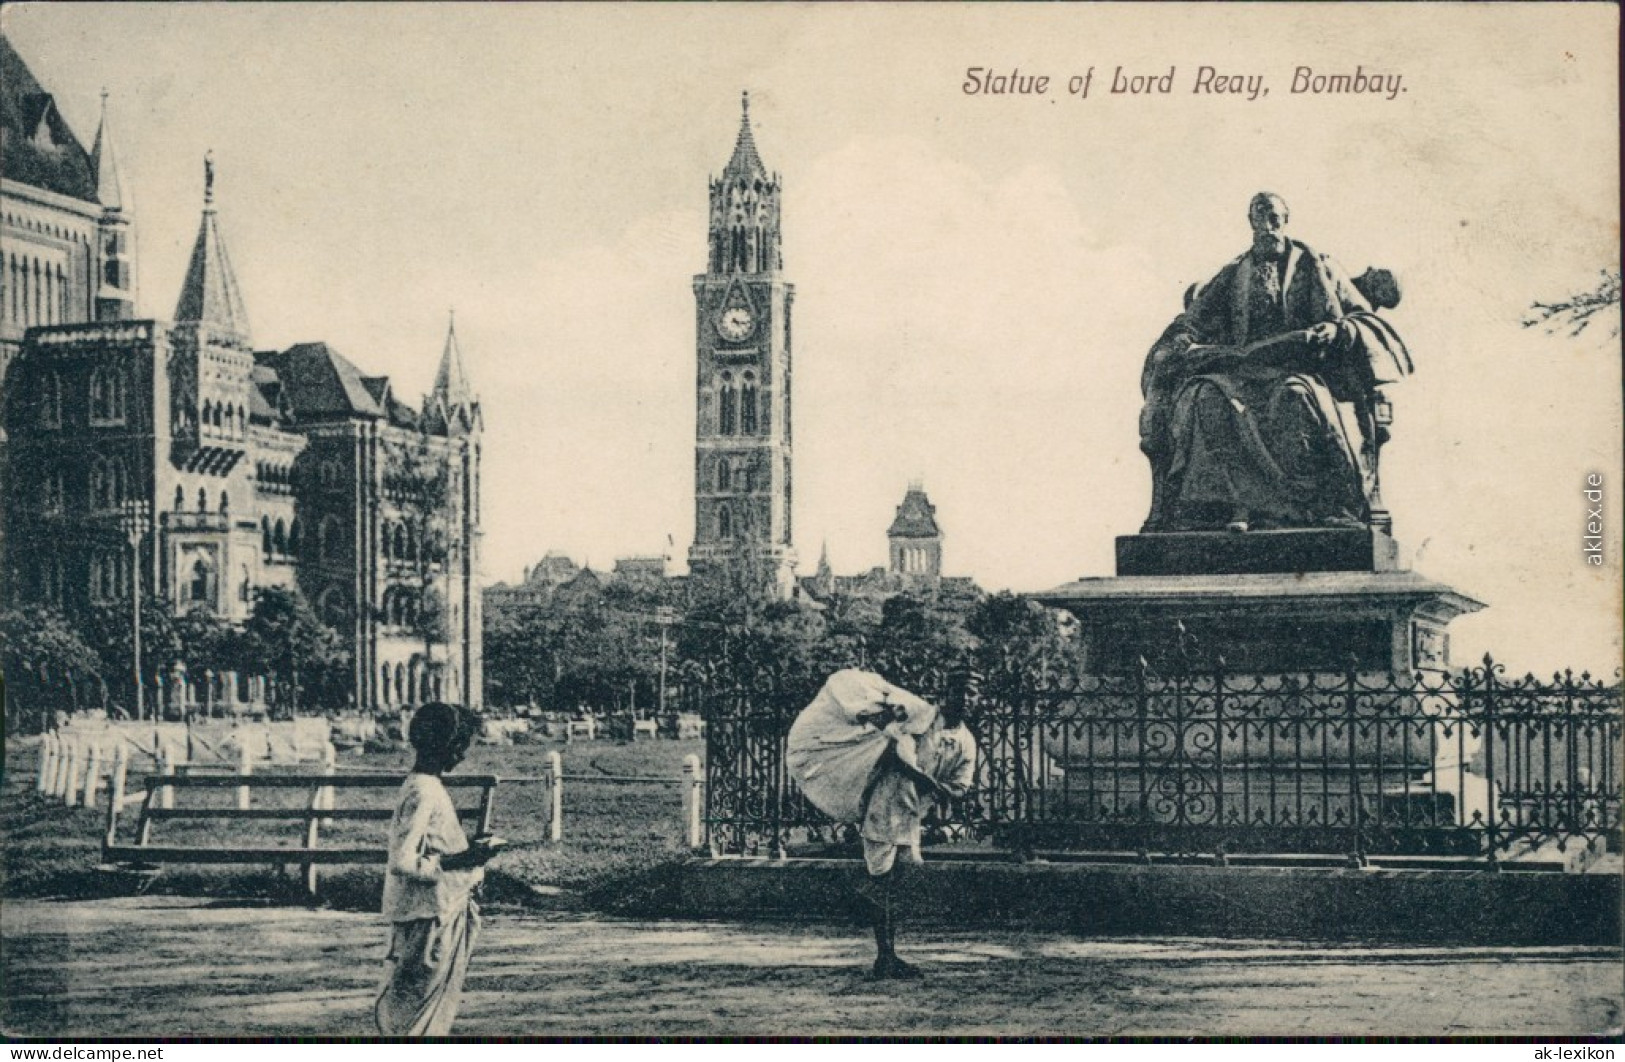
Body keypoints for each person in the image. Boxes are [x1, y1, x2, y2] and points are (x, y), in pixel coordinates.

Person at [1139, 192, 1412, 533]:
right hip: (1240, 371)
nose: (1267, 226)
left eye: (1274, 219)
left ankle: (1309, 507)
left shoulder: (1318, 265)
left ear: (1285, 221)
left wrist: (1335, 330)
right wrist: (1183, 338)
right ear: (1250, 222)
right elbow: (1193, 319)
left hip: (1299, 368)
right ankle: (1229, 506)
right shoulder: (1234, 272)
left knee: (1293, 397)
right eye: (1259, 218)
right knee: (1206, 395)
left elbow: (1362, 317)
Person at [375, 701, 499, 1036]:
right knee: (413, 1012)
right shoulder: (424, 791)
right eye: (461, 747)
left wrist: (467, 855)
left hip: (438, 909)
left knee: (425, 1009)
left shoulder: (424, 786)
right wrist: (465, 859)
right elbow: (402, 860)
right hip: (429, 916)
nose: (462, 756)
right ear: (447, 746)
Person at [854, 695, 977, 980]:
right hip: (885, 805)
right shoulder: (924, 717)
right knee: (882, 879)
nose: (966, 699)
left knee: (898, 881)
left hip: (911, 814)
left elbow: (961, 785)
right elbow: (897, 754)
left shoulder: (966, 740)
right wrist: (929, 783)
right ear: (949, 692)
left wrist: (940, 792)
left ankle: (888, 954)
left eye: (972, 693)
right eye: (961, 691)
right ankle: (884, 957)